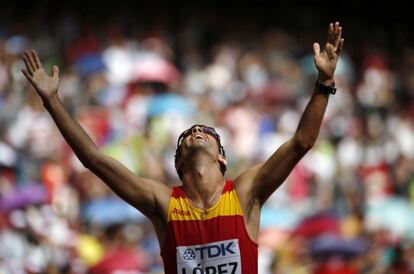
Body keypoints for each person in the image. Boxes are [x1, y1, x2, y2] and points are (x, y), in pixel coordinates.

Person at [22, 22, 344, 274]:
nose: (196, 132)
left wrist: (324, 82)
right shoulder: (162, 203)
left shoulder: (246, 193)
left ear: (222, 157)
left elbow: (302, 142)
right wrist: (52, 102)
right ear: (178, 164)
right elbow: (94, 159)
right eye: (188, 134)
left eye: (206, 131)